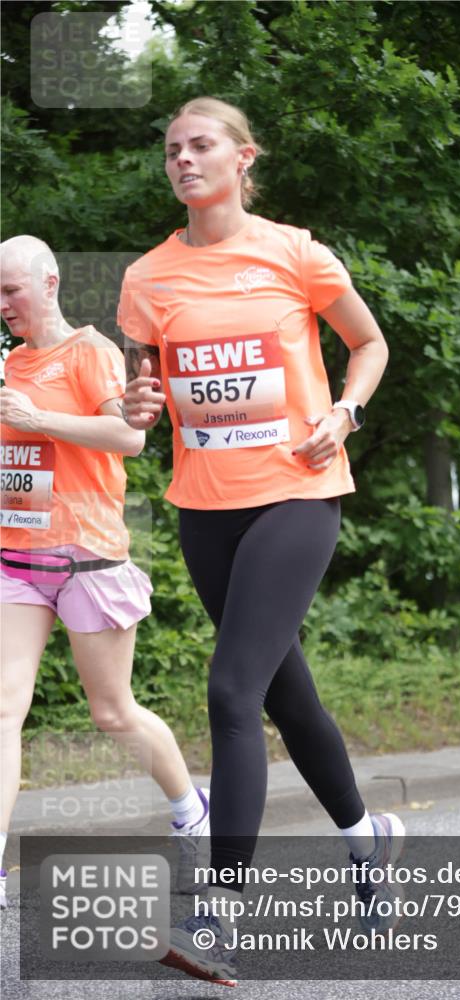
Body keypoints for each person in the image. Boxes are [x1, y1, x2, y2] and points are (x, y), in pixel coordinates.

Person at [119, 97, 404, 986]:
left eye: (200, 146)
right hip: (204, 507)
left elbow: (368, 343)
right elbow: (143, 392)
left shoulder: (293, 251)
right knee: (285, 695)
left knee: (231, 687)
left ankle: (222, 909)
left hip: (297, 492)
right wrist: (136, 404)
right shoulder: (147, 278)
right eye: (171, 150)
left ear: (243, 159)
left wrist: (345, 411)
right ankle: (369, 846)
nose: (182, 160)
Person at [0, 235, 211, 912]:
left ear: (50, 283)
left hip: (88, 558)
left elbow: (128, 438)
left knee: (112, 712)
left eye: (12, 290)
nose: (4, 304)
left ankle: (190, 813)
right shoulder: (8, 366)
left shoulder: (89, 352)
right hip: (17, 559)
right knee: (4, 708)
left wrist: (39, 418)